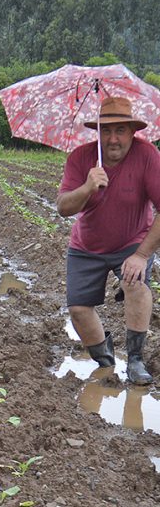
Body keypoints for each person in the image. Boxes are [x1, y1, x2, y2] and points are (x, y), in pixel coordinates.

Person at [57, 96, 160, 385]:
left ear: (132, 131)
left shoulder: (147, 155)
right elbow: (64, 207)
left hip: (132, 242)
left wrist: (141, 255)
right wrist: (88, 187)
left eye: (120, 131)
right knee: (78, 309)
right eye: (106, 131)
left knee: (135, 283)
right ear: (98, 132)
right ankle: (105, 358)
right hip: (86, 246)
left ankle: (136, 360)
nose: (113, 139)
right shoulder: (80, 158)